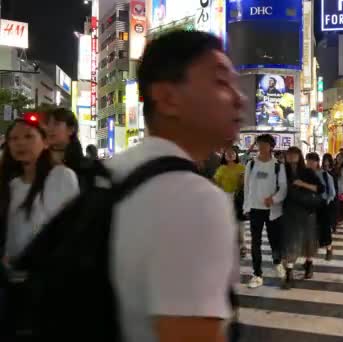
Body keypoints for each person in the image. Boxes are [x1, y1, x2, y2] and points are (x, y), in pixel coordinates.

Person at [106, 31, 244, 341]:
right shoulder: (193, 198)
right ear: (168, 98)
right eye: (221, 82)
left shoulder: (114, 171)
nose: (240, 97)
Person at [0, 117, 79, 339]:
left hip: (49, 283)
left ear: (45, 142)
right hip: (13, 281)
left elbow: (70, 230)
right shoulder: (12, 185)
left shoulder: (62, 176)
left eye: (28, 137)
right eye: (13, 139)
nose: (20, 143)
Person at [243, 134, 287, 289]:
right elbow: (246, 187)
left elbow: (283, 188)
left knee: (274, 240)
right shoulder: (251, 164)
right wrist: (246, 207)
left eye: (264, 144)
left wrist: (274, 199)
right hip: (255, 209)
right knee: (255, 242)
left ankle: (277, 262)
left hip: (272, 210)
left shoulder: (278, 166)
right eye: (259, 144)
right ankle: (257, 274)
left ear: (271, 146)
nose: (261, 147)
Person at [281, 147, 324, 289]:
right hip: (288, 211)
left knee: (308, 240)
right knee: (291, 241)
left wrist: (302, 184)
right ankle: (289, 273)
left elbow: (320, 189)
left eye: (295, 154)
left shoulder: (307, 172)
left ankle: (309, 264)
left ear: (299, 156)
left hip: (307, 211)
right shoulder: (281, 171)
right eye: (289, 154)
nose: (291, 156)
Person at [214, 146, 247, 257]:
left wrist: (242, 182)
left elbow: (246, 183)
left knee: (239, 223)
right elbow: (216, 183)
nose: (230, 155)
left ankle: (242, 246)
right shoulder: (221, 168)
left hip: (238, 197)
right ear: (224, 156)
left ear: (236, 155)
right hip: (225, 197)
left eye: (232, 153)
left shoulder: (242, 167)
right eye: (227, 154)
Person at [309, 153, 336, 260]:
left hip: (322, 205)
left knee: (325, 230)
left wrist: (326, 202)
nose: (310, 164)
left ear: (317, 162)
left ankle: (329, 249)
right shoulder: (305, 175)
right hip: (309, 206)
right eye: (308, 161)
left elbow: (332, 193)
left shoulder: (325, 175)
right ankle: (309, 260)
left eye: (312, 161)